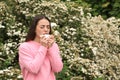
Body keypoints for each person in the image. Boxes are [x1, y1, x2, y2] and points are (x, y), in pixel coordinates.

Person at [18, 15, 63, 80]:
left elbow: (57, 69)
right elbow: (33, 68)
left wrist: (51, 48)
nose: (46, 30)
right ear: (34, 29)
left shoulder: (53, 45)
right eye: (42, 27)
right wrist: (43, 47)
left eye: (48, 27)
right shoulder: (25, 47)